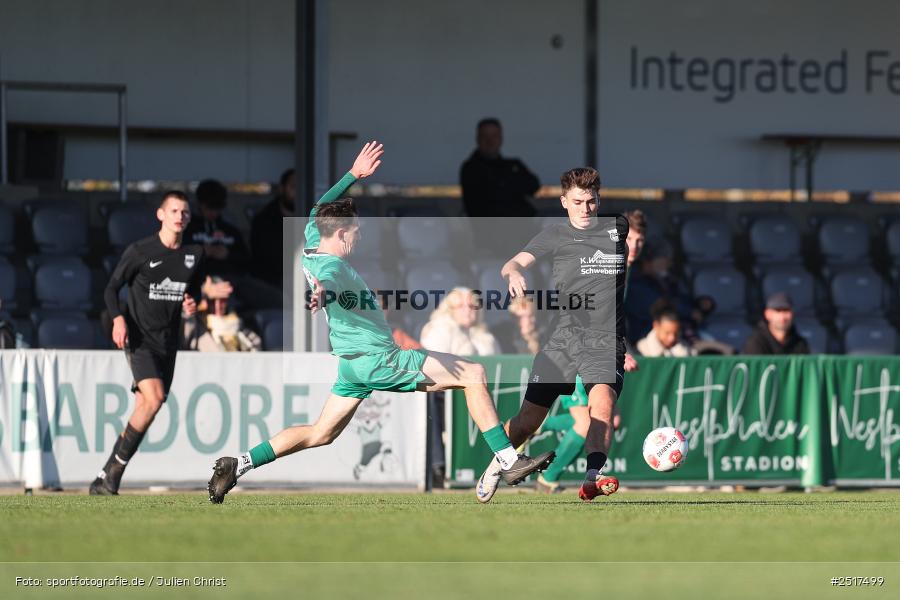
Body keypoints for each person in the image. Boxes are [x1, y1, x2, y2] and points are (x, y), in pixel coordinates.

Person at [208, 142, 553, 504]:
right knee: (473, 373)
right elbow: (329, 282)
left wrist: (353, 175)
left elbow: (318, 208)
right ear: (341, 233)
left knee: (321, 433)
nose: (359, 235)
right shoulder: (333, 266)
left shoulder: (313, 240)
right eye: (355, 230)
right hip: (379, 358)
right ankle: (508, 460)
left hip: (352, 363)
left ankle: (240, 463)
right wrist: (321, 293)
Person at [474, 167, 639, 505]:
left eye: (591, 201)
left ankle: (593, 476)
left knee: (603, 404)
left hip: (605, 340)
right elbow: (511, 264)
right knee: (528, 422)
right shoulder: (554, 235)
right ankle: (497, 463)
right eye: (577, 202)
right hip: (562, 339)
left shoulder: (618, 227)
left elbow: (631, 248)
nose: (585, 209)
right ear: (564, 202)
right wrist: (514, 274)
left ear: (599, 199)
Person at [90, 191, 210, 495]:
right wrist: (118, 319)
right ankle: (113, 474)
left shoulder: (195, 254)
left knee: (146, 408)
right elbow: (111, 288)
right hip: (139, 337)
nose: (179, 217)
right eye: (174, 211)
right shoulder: (141, 250)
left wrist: (192, 303)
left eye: (184, 212)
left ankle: (105, 476)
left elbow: (194, 291)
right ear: (161, 214)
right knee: (154, 399)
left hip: (168, 342)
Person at [533, 210, 645, 494]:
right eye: (629, 239)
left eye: (639, 240)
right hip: (574, 349)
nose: (634, 245)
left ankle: (541, 427)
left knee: (609, 420)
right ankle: (550, 475)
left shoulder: (624, 269)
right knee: (585, 422)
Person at [460, 118, 540, 218]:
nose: (490, 141)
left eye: (494, 136)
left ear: (500, 139)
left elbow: (534, 185)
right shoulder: (470, 169)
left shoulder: (512, 165)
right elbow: (490, 197)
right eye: (485, 136)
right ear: (478, 139)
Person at [184, 179, 250, 280]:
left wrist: (228, 254)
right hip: (197, 279)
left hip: (231, 278)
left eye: (218, 207)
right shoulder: (186, 227)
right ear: (199, 204)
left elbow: (246, 259)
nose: (213, 212)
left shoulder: (230, 228)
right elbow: (174, 258)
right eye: (209, 207)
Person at [183, 280, 262, 352]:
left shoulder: (240, 325)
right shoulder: (196, 326)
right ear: (205, 301)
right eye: (212, 301)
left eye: (222, 300)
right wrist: (203, 292)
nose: (218, 306)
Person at [420, 287, 501, 356]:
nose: (468, 310)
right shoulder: (439, 329)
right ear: (450, 309)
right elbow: (436, 362)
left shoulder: (486, 336)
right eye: (461, 306)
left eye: (472, 306)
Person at [251, 168, 295, 288]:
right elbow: (265, 260)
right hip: (272, 283)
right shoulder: (264, 219)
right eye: (293, 186)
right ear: (281, 188)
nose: (298, 192)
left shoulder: (314, 216)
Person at [742, 292, 810, 355]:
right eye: (778, 311)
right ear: (767, 314)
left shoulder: (800, 343)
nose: (782, 317)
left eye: (786, 311)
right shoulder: (756, 342)